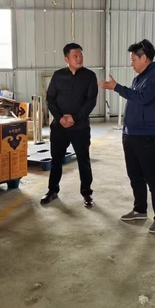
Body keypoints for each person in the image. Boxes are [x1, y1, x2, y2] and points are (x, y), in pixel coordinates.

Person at [99, 39, 155, 234]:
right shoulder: (139, 78)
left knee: (151, 177)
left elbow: (142, 98)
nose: (132, 63)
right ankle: (139, 210)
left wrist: (117, 87)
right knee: (135, 175)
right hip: (131, 134)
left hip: (147, 135)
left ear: (144, 58)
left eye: (133, 59)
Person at [41, 43, 98, 208]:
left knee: (83, 160)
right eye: (75, 56)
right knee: (56, 159)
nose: (79, 58)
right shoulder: (58, 76)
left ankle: (86, 193)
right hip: (60, 126)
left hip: (80, 127)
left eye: (81, 55)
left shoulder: (89, 76)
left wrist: (75, 118)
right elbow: (50, 99)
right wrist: (60, 118)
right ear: (67, 59)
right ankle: (52, 190)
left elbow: (91, 101)